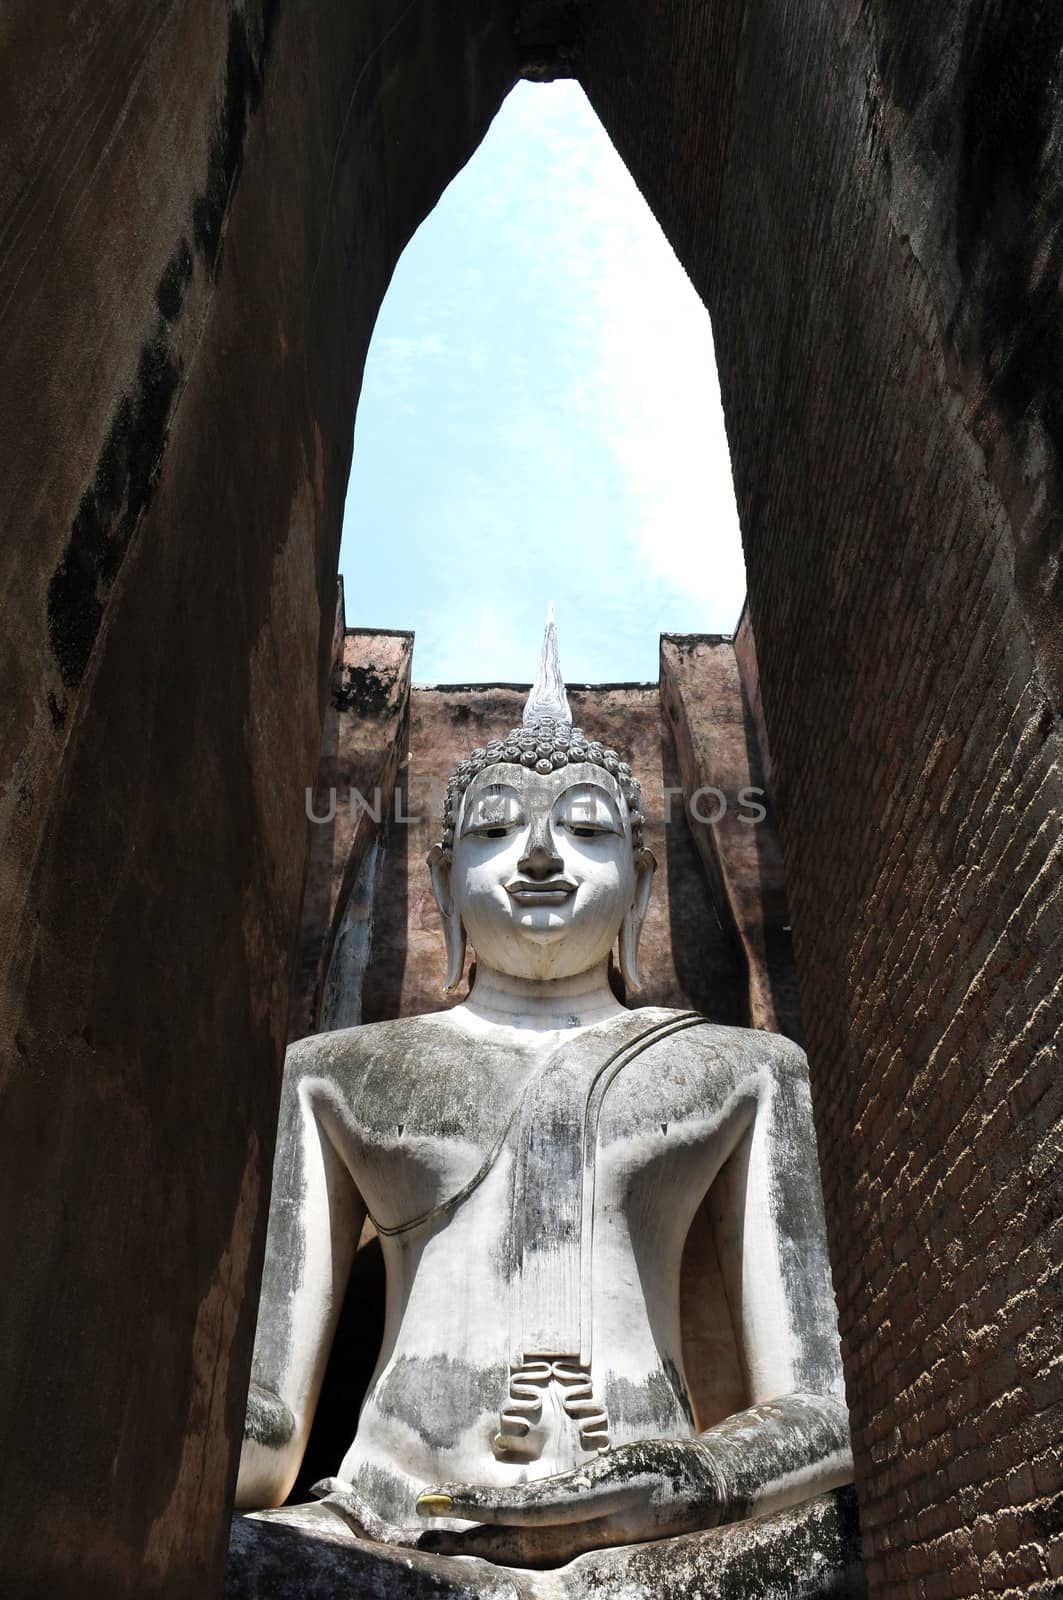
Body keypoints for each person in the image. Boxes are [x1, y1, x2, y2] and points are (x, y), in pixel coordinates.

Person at [232, 617, 852, 1580]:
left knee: (831, 1549)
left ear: (642, 888)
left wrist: (683, 1474)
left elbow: (822, 1410)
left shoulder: (742, 1068)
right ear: (442, 884)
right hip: (392, 1529)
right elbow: (267, 1433)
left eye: (587, 827)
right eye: (492, 829)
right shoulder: (334, 1071)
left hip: (655, 1550)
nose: (537, 856)